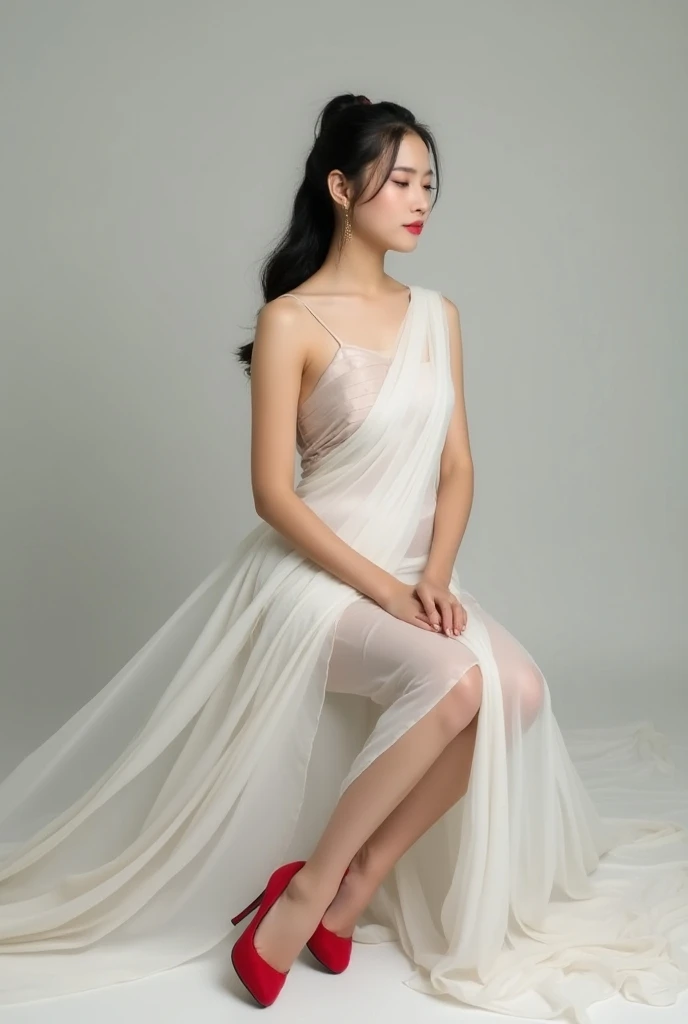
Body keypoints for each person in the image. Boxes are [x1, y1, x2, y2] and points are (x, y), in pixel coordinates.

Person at [1, 93, 687, 1020]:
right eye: (400, 180)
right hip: (313, 581)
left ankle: (359, 877)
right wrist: (383, 590)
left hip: (409, 577)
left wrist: (434, 578)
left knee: (518, 692)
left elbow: (458, 464)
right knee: (455, 684)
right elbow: (273, 496)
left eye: (429, 184)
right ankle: (304, 894)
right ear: (340, 186)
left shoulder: (438, 315)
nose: (419, 200)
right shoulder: (290, 319)